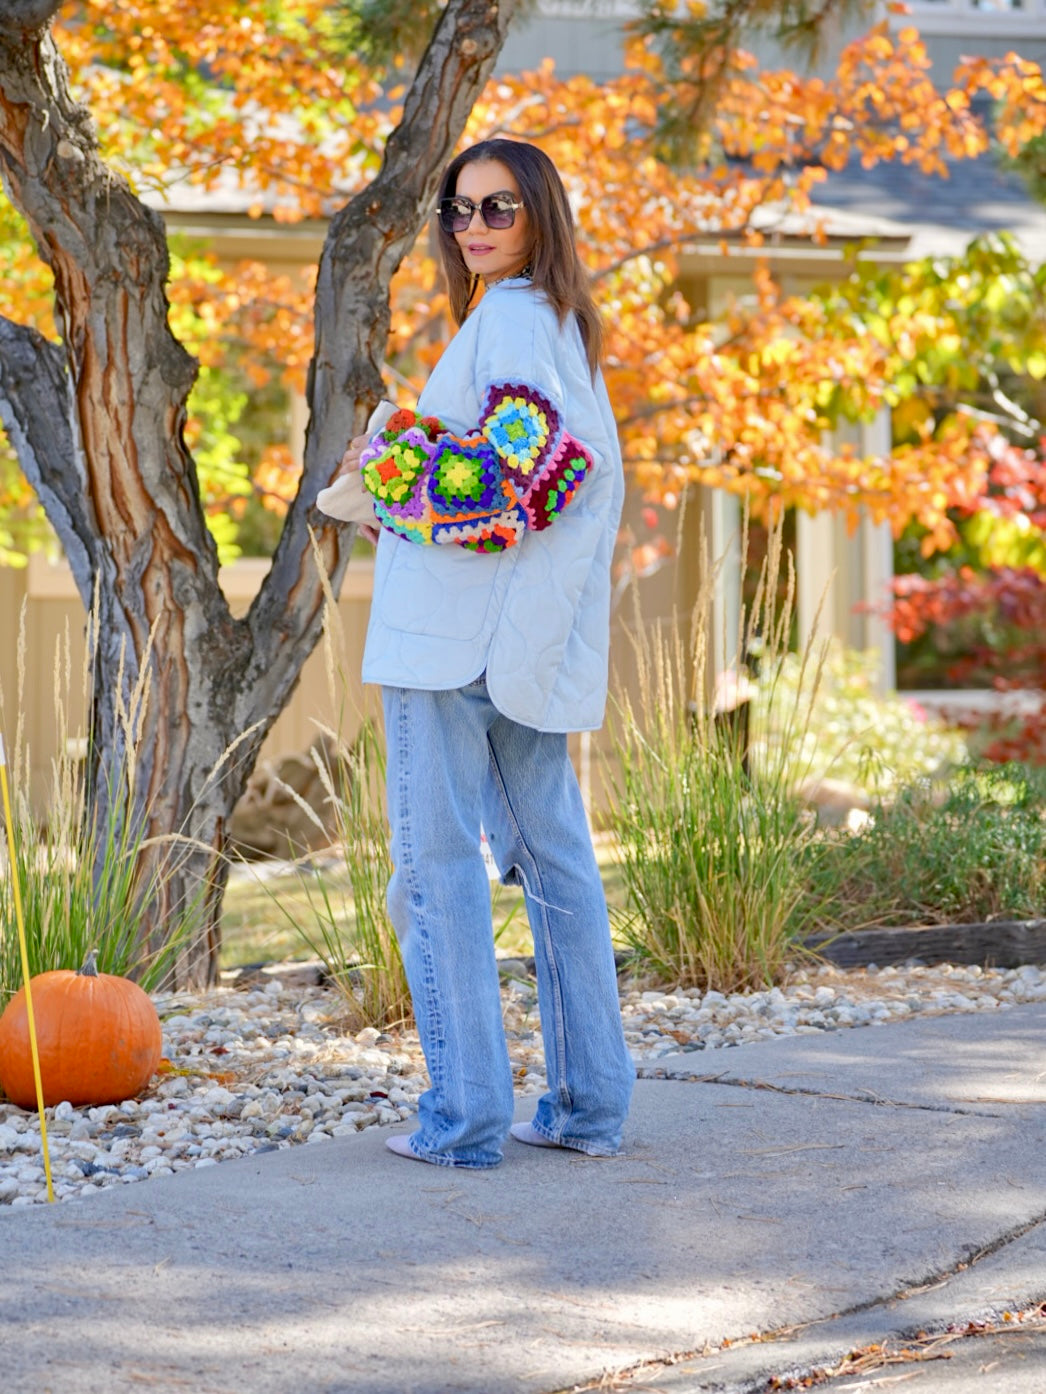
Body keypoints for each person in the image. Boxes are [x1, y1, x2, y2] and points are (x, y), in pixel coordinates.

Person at [335, 138, 635, 1168]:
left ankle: (461, 1119)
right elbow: (555, 476)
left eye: (497, 208)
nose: (473, 227)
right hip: (517, 645)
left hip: (445, 645)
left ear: (538, 213)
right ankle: (587, 1105)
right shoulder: (559, 323)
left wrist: (388, 465)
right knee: (555, 866)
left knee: (435, 872)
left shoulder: (507, 318)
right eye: (458, 210)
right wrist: (417, 466)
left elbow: (521, 474)